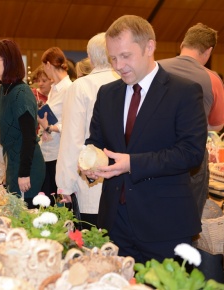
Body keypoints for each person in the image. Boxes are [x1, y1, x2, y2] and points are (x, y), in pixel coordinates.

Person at [80, 15, 207, 263]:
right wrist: (90, 165)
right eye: (113, 58)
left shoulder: (183, 91)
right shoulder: (107, 94)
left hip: (165, 224)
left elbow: (191, 153)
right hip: (116, 221)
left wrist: (132, 163)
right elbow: (94, 142)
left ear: (150, 47)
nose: (118, 65)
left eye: (126, 56)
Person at [158, 23, 224, 218]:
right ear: (209, 51)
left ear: (182, 44)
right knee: (189, 215)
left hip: (152, 152)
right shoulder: (211, 79)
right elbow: (216, 125)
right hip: (191, 157)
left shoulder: (154, 69)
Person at [56, 33, 120, 228]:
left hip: (90, 178)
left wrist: (64, 184)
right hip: (122, 179)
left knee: (93, 241)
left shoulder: (81, 86)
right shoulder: (126, 81)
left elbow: (72, 139)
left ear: (90, 58)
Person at [0, 39, 45, 207]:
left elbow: (29, 137)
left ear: (9, 62)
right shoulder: (4, 89)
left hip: (28, 168)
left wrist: (23, 173)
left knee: (25, 219)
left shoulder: (21, 93)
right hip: (14, 164)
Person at [37, 47, 72, 205]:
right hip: (48, 150)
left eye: (44, 66)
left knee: (56, 202)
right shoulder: (55, 89)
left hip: (59, 153)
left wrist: (49, 127)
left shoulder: (69, 88)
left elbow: (72, 123)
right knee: (48, 200)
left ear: (49, 65)